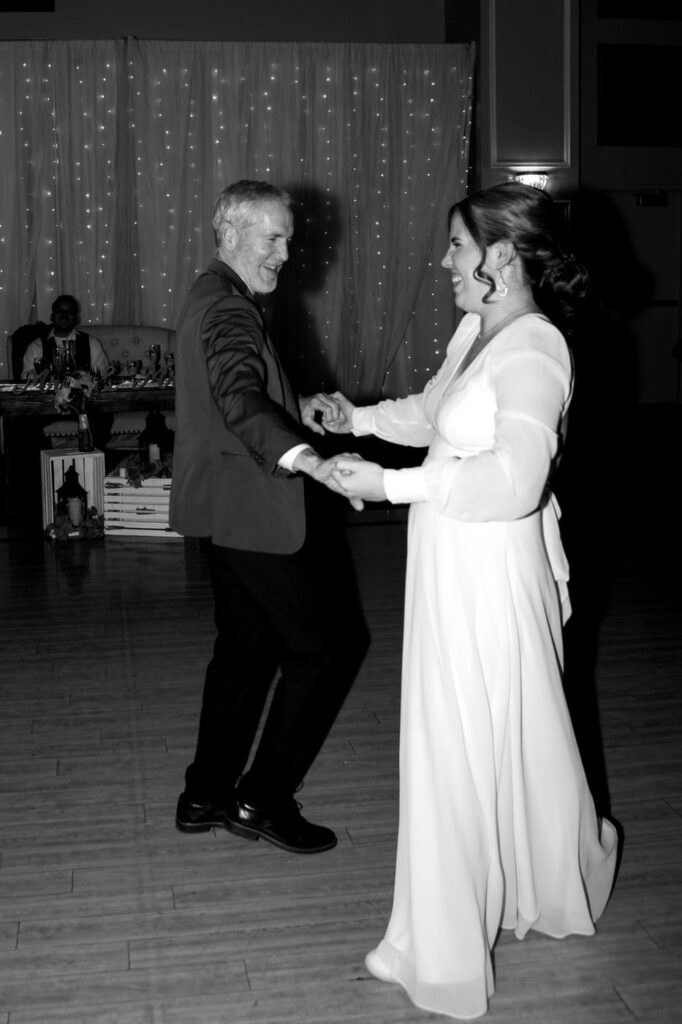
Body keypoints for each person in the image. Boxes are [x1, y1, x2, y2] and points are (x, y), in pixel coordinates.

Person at [325, 182, 619, 1018]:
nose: (445, 261)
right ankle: (544, 875)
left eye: (457, 247)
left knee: (455, 742)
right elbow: (435, 414)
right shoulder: (475, 329)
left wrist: (388, 484)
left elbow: (516, 480)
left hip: (489, 571)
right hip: (451, 562)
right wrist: (357, 420)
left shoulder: (535, 350)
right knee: (499, 730)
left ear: (499, 257)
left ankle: (436, 945)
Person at [169, 179, 369, 855]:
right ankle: (262, 799)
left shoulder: (212, 293)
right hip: (255, 509)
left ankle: (205, 794)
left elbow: (249, 391)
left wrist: (296, 403)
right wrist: (306, 458)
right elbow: (237, 398)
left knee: (246, 646)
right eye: (273, 237)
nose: (286, 253)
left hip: (226, 510)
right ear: (229, 230)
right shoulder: (230, 309)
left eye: (290, 238)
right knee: (328, 649)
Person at [20, 294, 109, 379]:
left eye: (70, 312)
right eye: (59, 311)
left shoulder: (92, 344)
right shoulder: (36, 347)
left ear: (77, 319)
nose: (64, 315)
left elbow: (102, 377)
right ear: (52, 316)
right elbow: (26, 381)